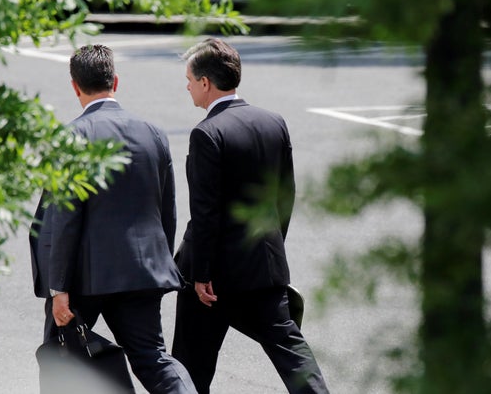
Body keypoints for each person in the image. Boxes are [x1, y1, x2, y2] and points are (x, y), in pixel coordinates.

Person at [29, 44, 197, 394]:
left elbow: (64, 219)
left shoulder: (71, 138)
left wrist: (58, 288)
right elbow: (166, 209)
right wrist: (158, 263)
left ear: (74, 86)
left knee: (63, 361)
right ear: (115, 81)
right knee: (153, 358)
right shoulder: (153, 133)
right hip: (142, 271)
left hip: (83, 279)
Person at [171, 38, 331, 394]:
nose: (187, 86)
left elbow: (206, 212)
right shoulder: (273, 122)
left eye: (189, 79)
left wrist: (201, 273)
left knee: (190, 367)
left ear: (205, 83)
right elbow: (285, 196)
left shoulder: (207, 134)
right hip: (264, 266)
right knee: (292, 352)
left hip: (212, 282)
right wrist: (270, 247)